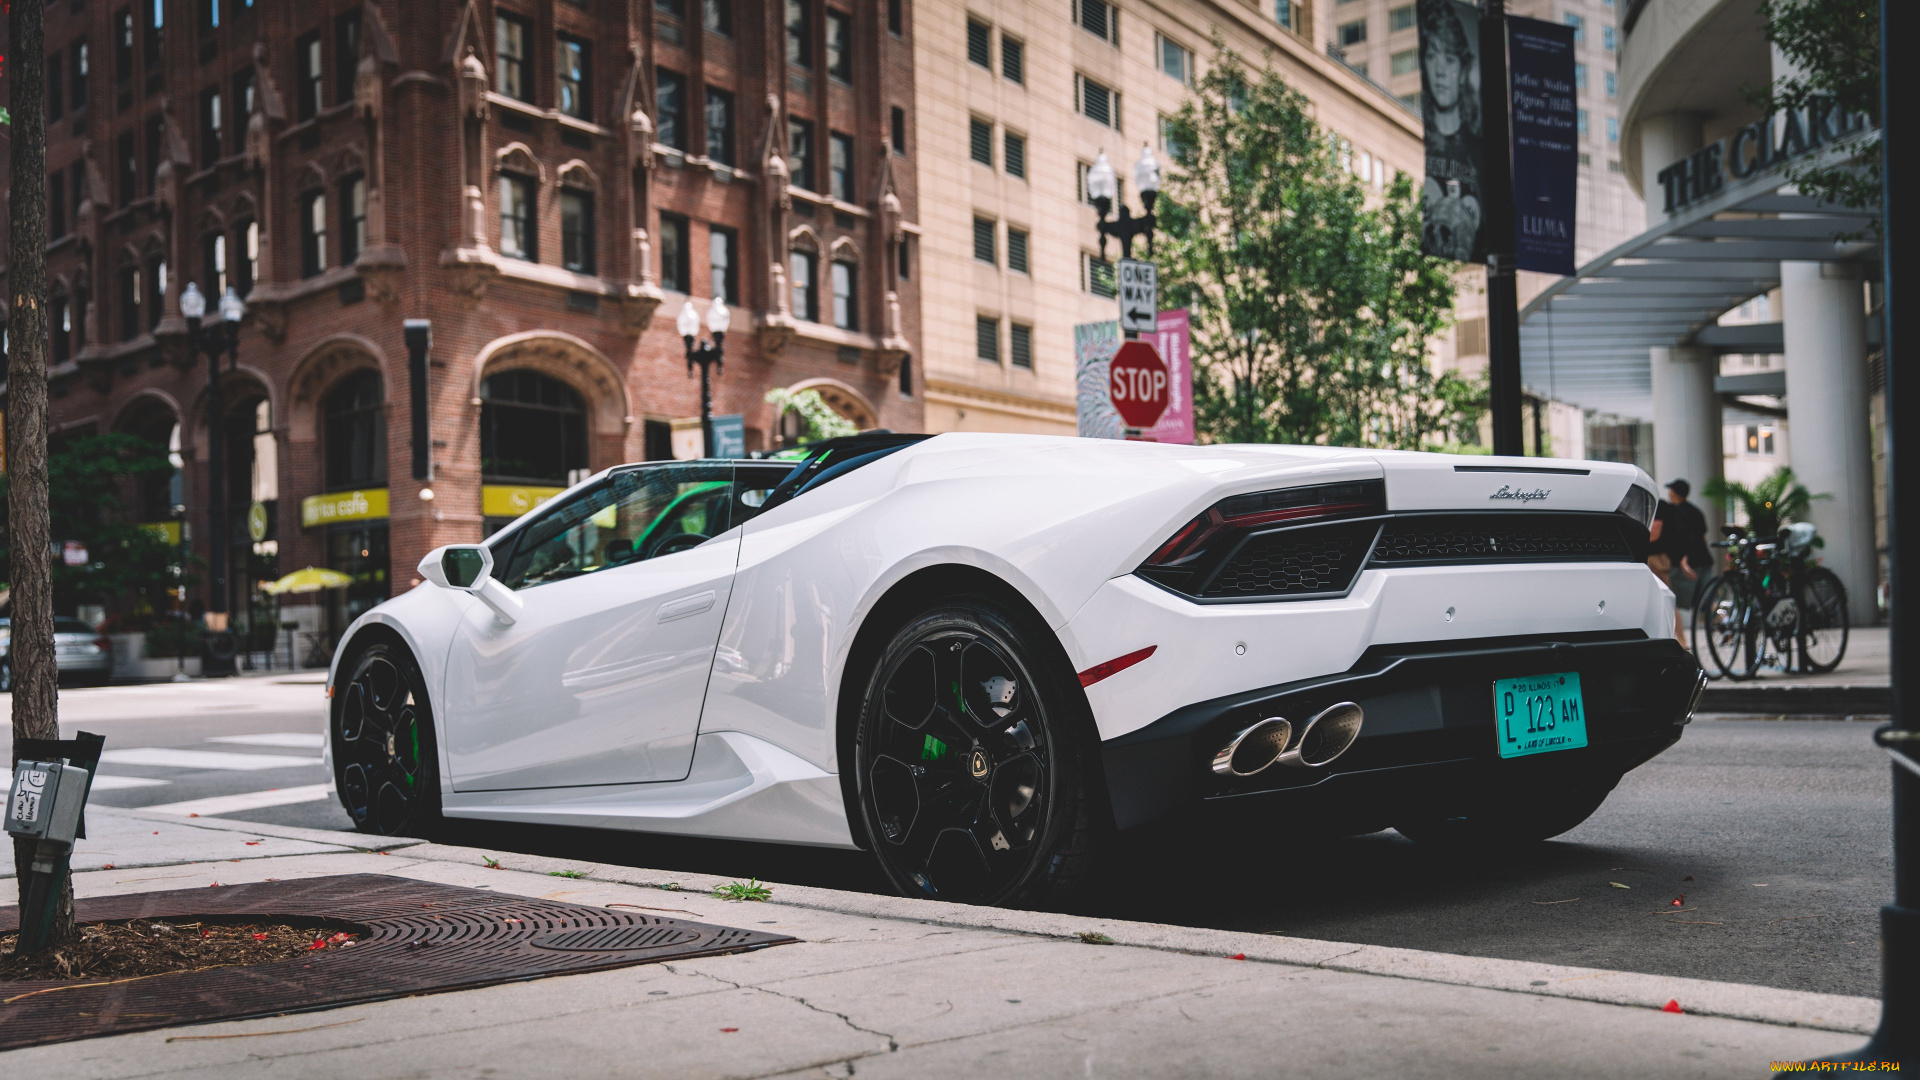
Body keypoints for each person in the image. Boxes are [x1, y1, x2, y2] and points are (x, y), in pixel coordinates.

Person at [1647, 478, 1711, 644]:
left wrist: (1684, 558)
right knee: (1703, 598)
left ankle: (1681, 640)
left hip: (1683, 561)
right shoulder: (1696, 511)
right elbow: (1702, 537)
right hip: (1702, 559)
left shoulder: (1672, 511)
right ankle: (1724, 622)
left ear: (1674, 493)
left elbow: (1681, 537)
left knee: (1672, 598)